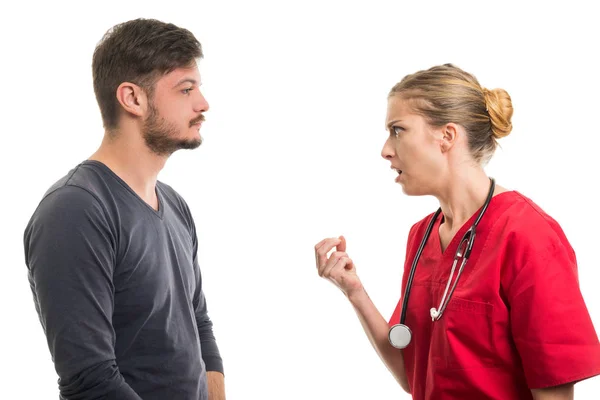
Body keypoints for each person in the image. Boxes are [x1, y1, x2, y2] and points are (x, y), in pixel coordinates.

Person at [314, 63, 600, 399]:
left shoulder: (528, 236)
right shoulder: (421, 237)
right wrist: (354, 292)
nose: (385, 150)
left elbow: (554, 395)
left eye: (398, 130)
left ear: (446, 136)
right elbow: (413, 375)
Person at [23, 18, 225, 400]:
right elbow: (91, 381)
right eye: (186, 89)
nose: (203, 103)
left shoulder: (176, 206)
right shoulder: (74, 211)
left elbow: (199, 325)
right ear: (132, 98)